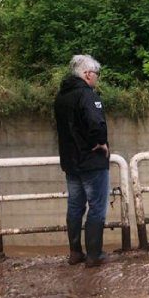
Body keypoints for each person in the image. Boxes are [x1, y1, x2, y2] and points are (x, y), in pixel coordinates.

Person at [54, 54, 110, 267]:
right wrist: (101, 142)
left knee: (75, 206)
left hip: (71, 162)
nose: (97, 78)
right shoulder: (88, 95)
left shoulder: (61, 96)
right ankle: (94, 255)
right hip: (91, 161)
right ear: (87, 74)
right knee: (96, 207)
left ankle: (75, 252)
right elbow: (96, 123)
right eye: (96, 74)